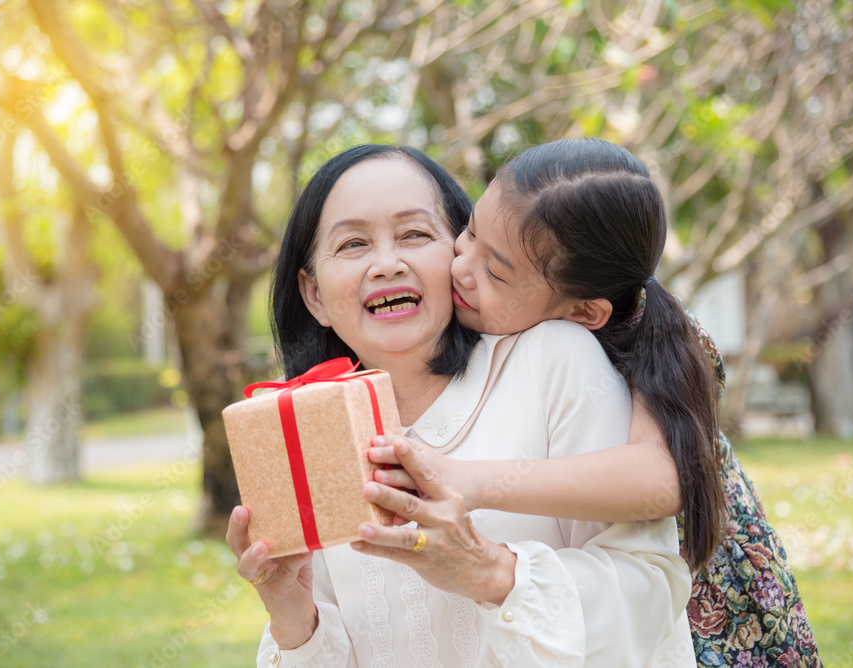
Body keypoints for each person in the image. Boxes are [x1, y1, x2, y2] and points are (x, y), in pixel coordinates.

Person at [226, 144, 696, 666]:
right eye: (353, 243)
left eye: (415, 234)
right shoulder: (309, 435)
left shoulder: (554, 359)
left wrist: (490, 572)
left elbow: (651, 589)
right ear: (314, 296)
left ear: (454, 250)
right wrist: (292, 613)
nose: (387, 263)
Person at [369, 138, 821, 666]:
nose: (462, 267)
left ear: (584, 313)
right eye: (469, 232)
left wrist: (468, 480)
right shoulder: (535, 320)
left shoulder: (650, 334)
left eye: (495, 272)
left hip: (709, 609)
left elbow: (659, 482)